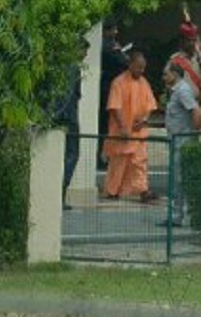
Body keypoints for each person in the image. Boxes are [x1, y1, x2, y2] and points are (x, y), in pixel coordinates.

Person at [102, 52, 158, 202]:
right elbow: (115, 107)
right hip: (122, 133)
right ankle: (113, 191)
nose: (141, 71)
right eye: (139, 67)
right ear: (130, 65)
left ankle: (143, 191)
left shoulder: (144, 82)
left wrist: (145, 120)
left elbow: (150, 105)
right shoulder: (118, 82)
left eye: (143, 68)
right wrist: (122, 127)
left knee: (139, 162)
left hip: (139, 132)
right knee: (118, 163)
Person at [160, 63, 201, 228]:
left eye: (166, 74)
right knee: (177, 179)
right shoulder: (176, 91)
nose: (164, 78)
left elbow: (196, 111)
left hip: (182, 141)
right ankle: (178, 215)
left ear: (174, 75)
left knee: (179, 179)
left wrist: (195, 133)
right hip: (177, 140)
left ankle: (178, 216)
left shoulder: (182, 91)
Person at [54, 39, 91, 210]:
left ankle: (58, 193)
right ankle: (59, 193)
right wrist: (60, 114)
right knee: (71, 155)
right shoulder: (71, 68)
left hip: (61, 117)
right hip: (68, 118)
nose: (85, 55)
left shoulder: (58, 65)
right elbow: (69, 95)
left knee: (64, 157)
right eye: (84, 51)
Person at [98, 17, 129, 169]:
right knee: (108, 123)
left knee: (105, 123)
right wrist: (121, 53)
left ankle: (103, 155)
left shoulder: (105, 45)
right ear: (106, 31)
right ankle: (104, 156)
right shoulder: (108, 47)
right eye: (113, 29)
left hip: (106, 86)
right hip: (109, 88)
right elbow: (124, 63)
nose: (116, 32)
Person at [167, 19, 201, 99]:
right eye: (189, 40)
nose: (192, 44)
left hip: (197, 105)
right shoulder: (175, 60)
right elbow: (170, 88)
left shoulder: (200, 59)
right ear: (182, 41)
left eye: (194, 40)